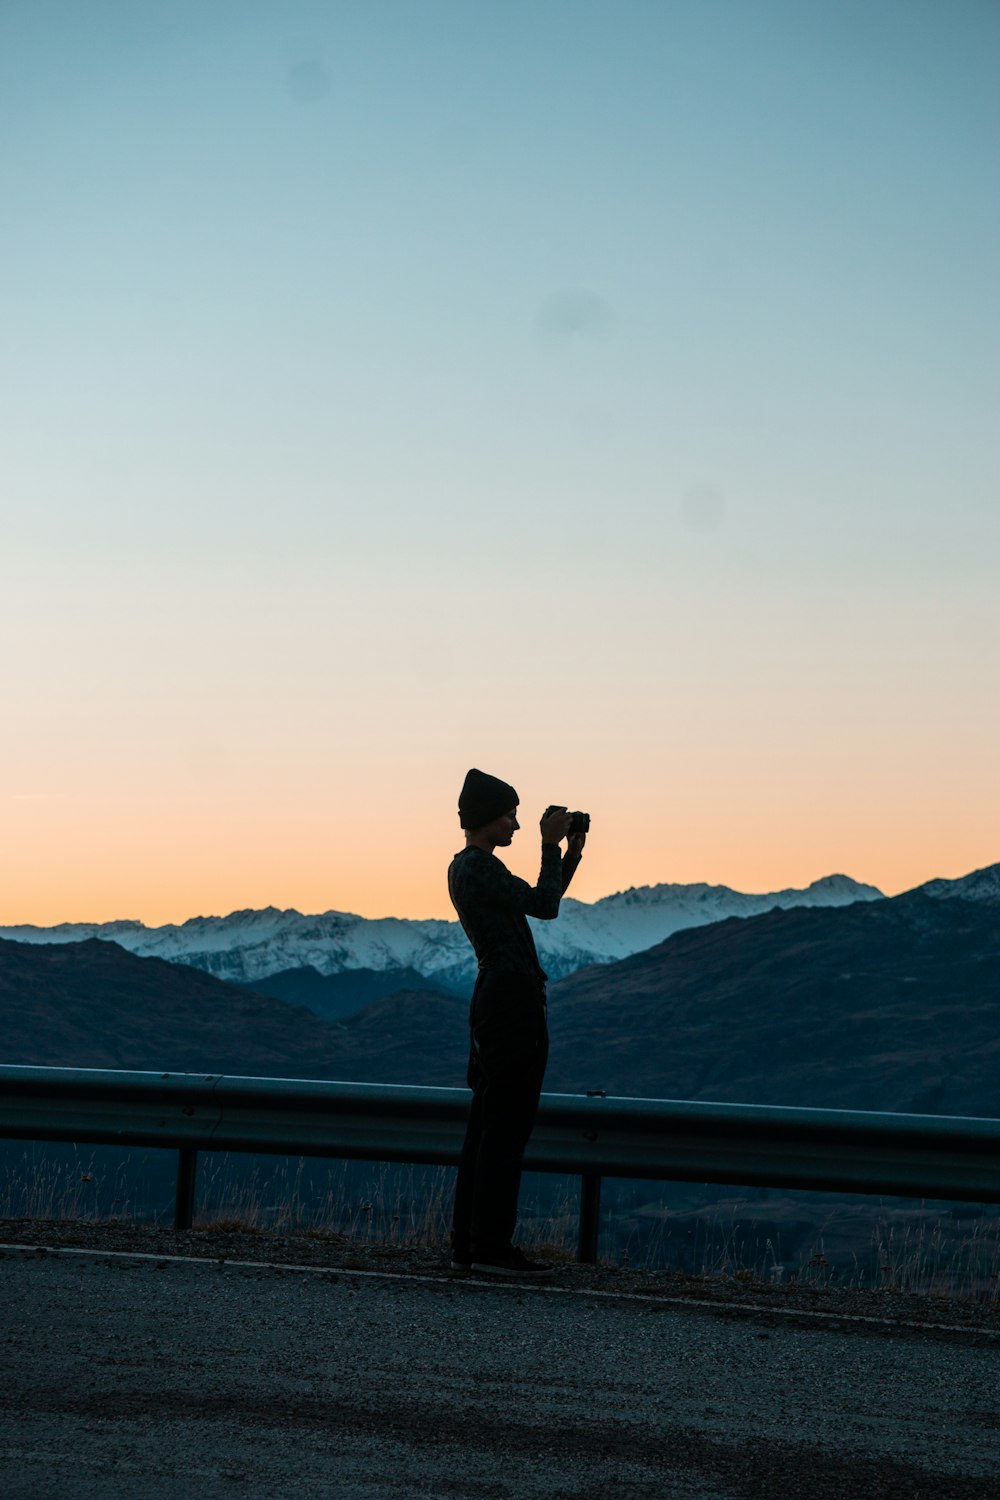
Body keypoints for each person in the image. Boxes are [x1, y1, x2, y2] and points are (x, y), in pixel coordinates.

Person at [447, 767, 585, 1279]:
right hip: (511, 1005)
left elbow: (539, 901)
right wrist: (554, 846)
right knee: (506, 1128)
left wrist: (570, 852)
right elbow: (545, 906)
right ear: (488, 818)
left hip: (494, 1004)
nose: (517, 827)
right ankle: (490, 1249)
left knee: (486, 1127)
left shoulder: (467, 868)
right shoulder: (480, 868)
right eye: (511, 816)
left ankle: (470, 1245)